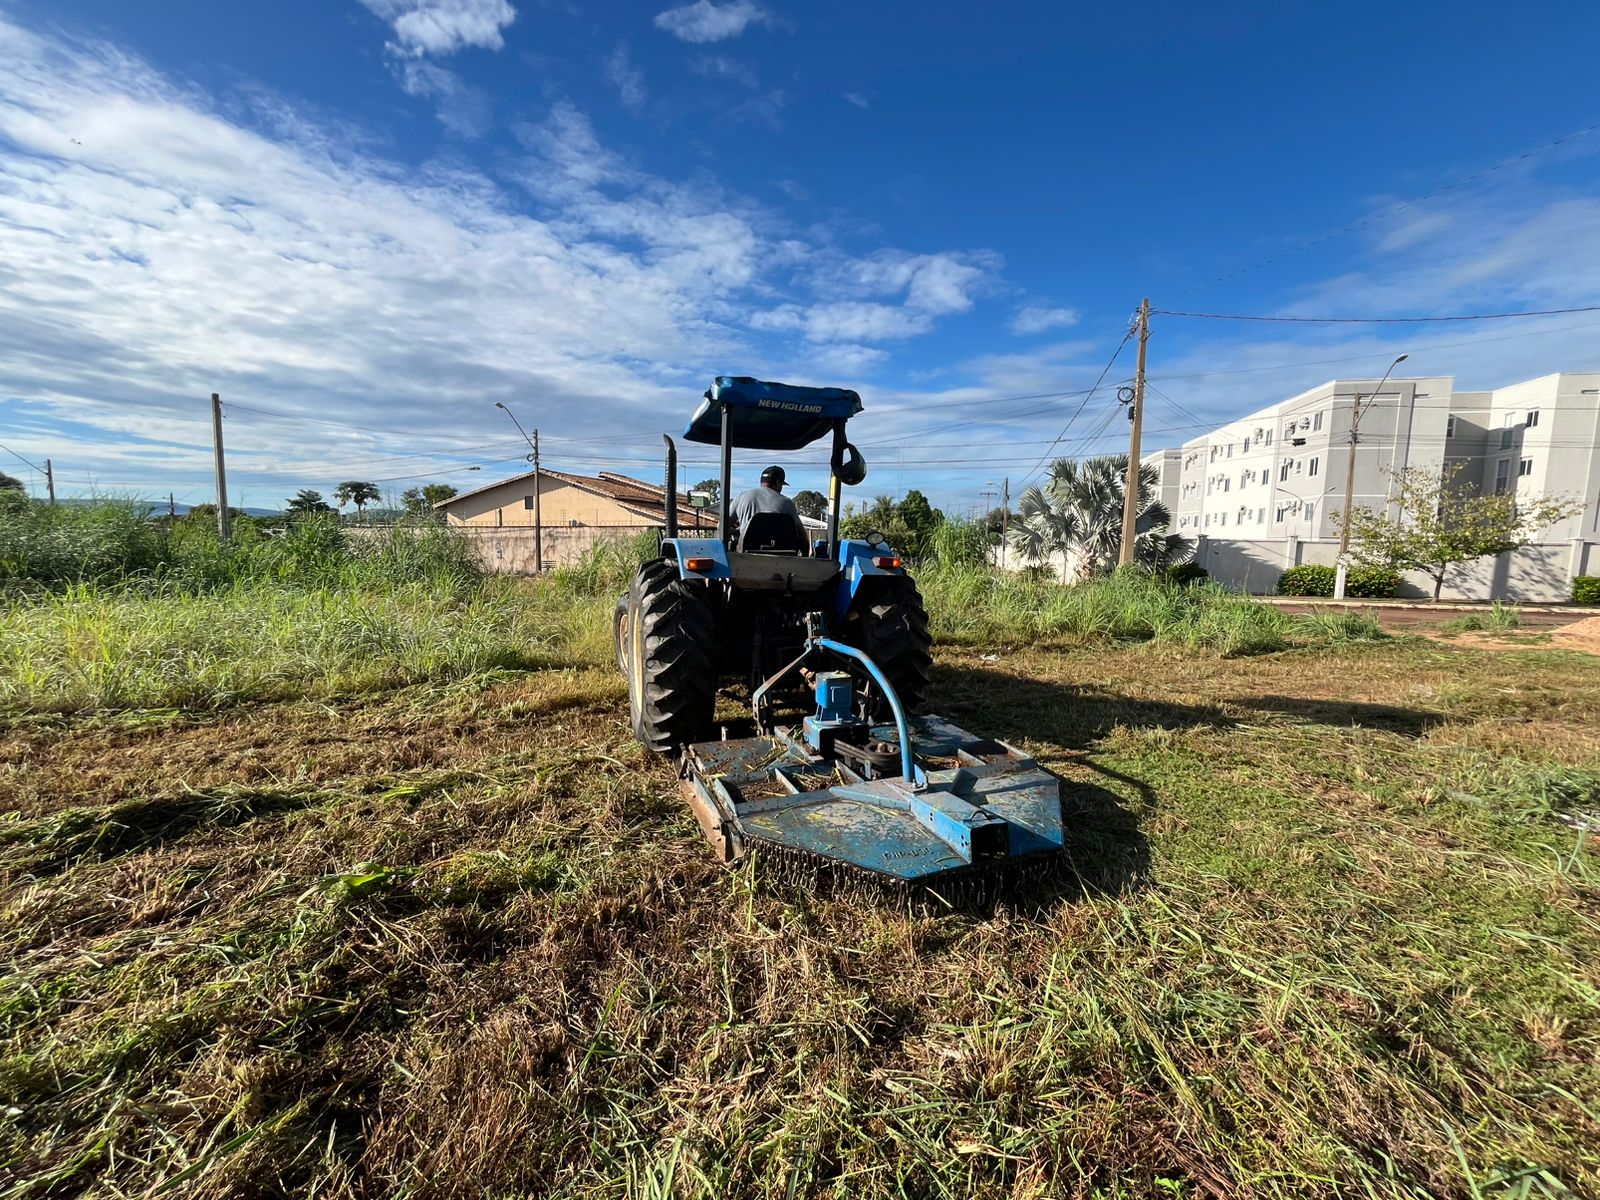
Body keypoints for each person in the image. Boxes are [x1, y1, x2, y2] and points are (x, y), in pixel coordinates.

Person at [730, 464, 806, 549]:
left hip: (746, 554)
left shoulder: (741, 498)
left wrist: (741, 532)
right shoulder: (787, 503)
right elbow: (801, 535)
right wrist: (806, 556)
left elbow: (721, 526)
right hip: (781, 556)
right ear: (778, 482)